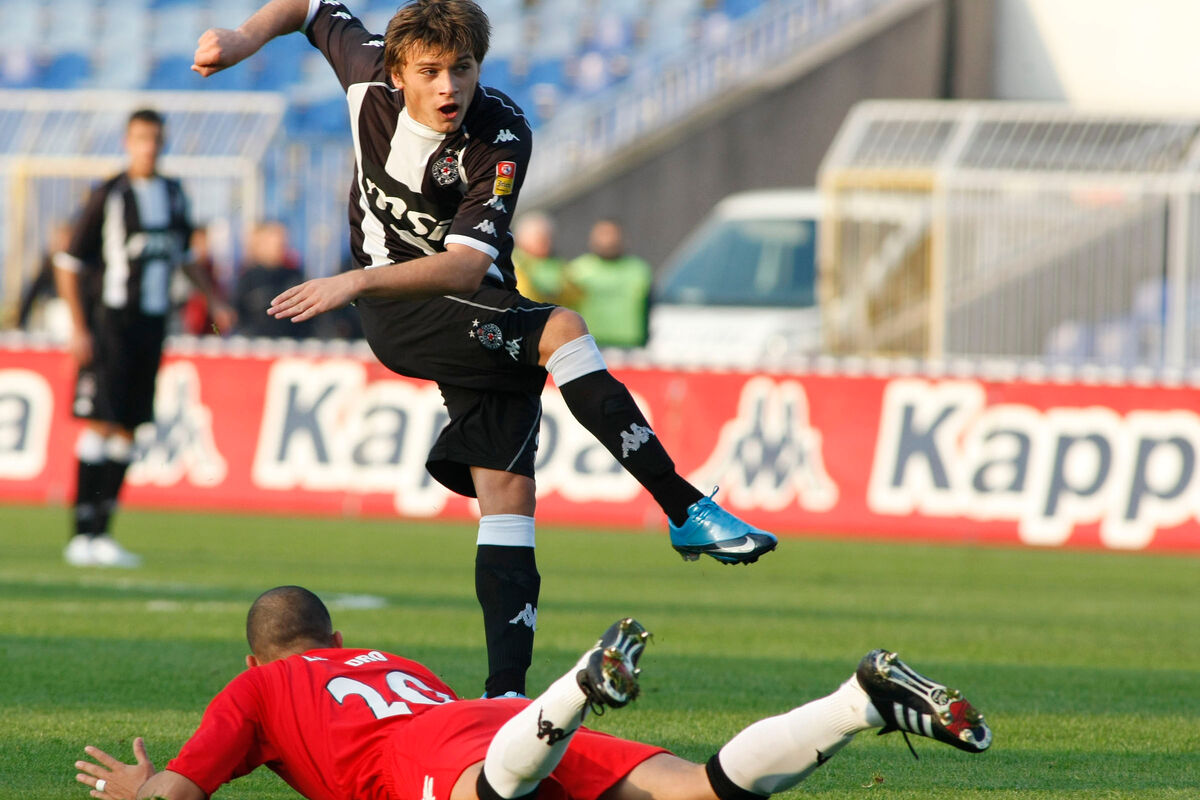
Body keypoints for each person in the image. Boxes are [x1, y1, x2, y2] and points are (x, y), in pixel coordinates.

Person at [192, 0, 777, 699]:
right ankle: (683, 507)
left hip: (467, 298)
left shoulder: (501, 131)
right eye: (430, 72)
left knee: (507, 494)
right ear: (397, 73)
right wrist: (243, 38)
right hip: (399, 309)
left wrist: (350, 279)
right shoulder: (365, 74)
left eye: (462, 69)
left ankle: (505, 696)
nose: (449, 87)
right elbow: (309, 6)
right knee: (562, 330)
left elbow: (468, 266)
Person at [72, 585, 992, 800]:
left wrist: (138, 787)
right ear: (337, 640)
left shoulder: (258, 690)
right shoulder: (385, 659)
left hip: (444, 753)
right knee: (696, 790)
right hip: (486, 719)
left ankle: (578, 686)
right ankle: (858, 701)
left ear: (254, 659)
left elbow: (176, 797)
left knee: (485, 796)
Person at [53, 108, 235, 569]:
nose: (148, 147)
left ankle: (103, 533)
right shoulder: (109, 195)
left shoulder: (172, 194)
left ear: (163, 142)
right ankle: (81, 533)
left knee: (129, 428)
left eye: (155, 139)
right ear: (127, 142)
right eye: (140, 138)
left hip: (152, 325)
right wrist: (79, 326)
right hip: (110, 323)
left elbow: (185, 255)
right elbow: (69, 263)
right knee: (101, 422)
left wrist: (213, 299)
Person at [563, 219, 653, 349]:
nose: (608, 240)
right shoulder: (576, 270)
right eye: (603, 235)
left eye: (613, 235)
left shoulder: (639, 270)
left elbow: (649, 308)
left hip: (629, 346)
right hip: (588, 343)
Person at [233, 220, 313, 339]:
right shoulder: (248, 278)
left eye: (283, 243)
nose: (280, 247)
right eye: (274, 243)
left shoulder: (294, 276)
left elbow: (309, 318)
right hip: (256, 343)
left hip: (292, 342)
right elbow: (237, 315)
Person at [511, 212, 569, 305]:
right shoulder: (513, 262)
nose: (548, 243)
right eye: (541, 238)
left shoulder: (556, 263)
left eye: (549, 237)